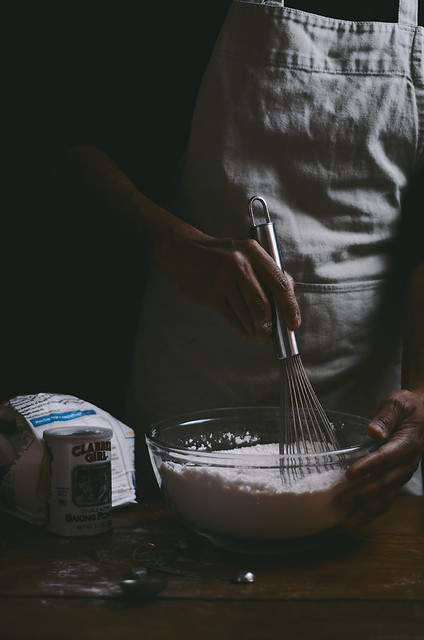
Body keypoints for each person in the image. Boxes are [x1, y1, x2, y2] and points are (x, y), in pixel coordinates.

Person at [46, 0, 424, 530]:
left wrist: (423, 392)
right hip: (194, 396)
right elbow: (68, 157)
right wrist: (174, 243)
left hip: (362, 421)